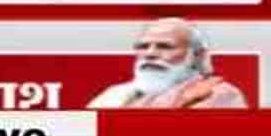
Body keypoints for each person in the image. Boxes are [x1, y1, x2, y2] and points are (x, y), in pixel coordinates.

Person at [89, 18, 248, 108]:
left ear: (196, 55)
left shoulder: (220, 94)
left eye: (165, 46)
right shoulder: (113, 94)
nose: (150, 54)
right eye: (143, 46)